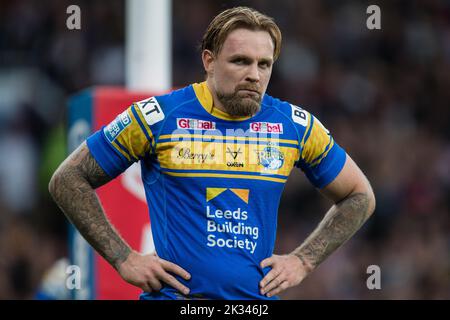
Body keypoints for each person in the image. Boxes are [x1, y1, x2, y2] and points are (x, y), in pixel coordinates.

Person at [49, 6, 375, 300]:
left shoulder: (295, 126)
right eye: (240, 61)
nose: (254, 74)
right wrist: (123, 257)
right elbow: (68, 179)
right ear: (209, 61)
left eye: (265, 64)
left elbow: (359, 195)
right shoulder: (158, 117)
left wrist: (303, 260)